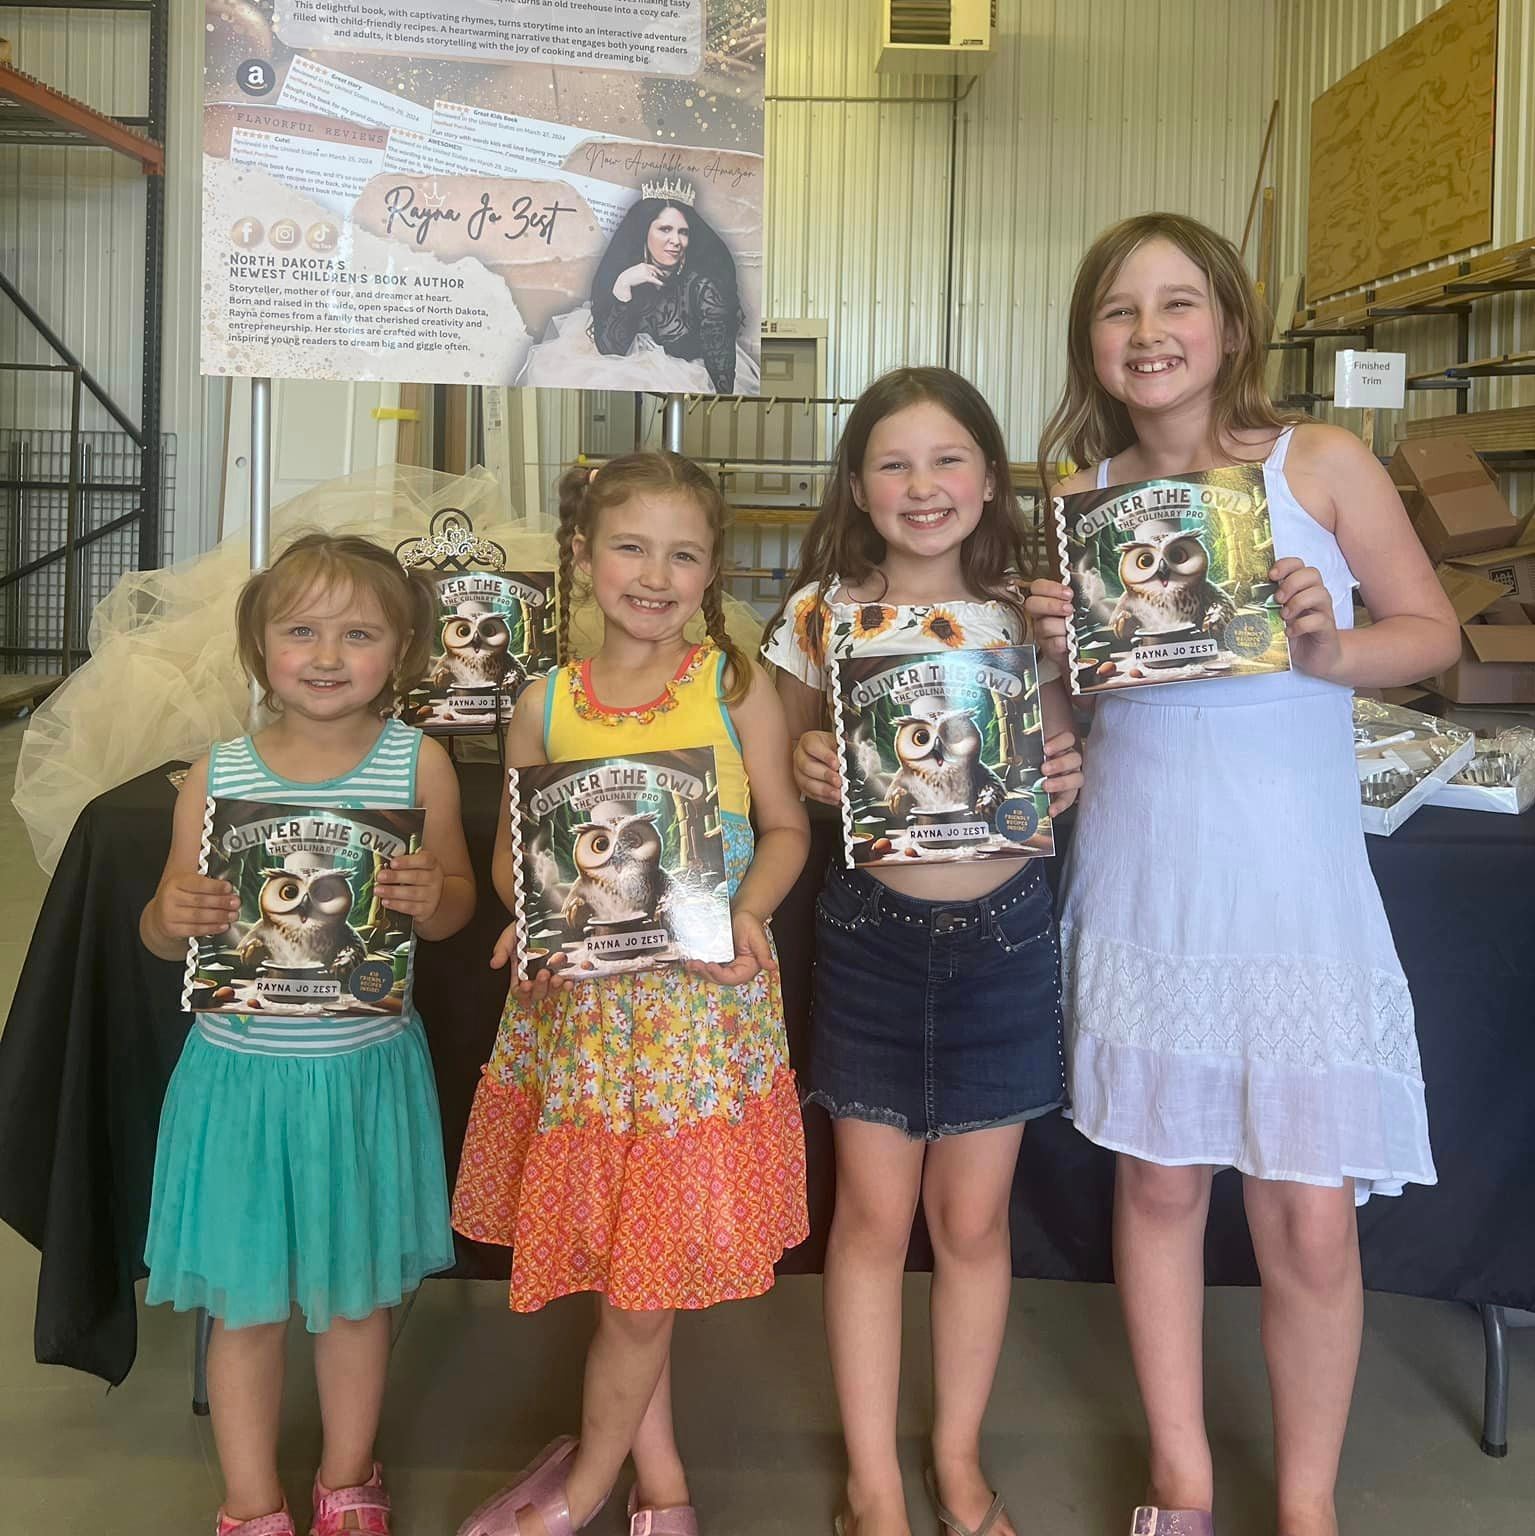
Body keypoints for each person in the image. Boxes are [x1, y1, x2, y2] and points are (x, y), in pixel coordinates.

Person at [1027, 213, 1461, 1536]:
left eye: (1175, 305)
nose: (1147, 334)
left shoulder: (1318, 464)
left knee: (1310, 1220)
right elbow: (1071, 720)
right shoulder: (1077, 502)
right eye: (1117, 310)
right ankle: (1183, 1480)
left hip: (1293, 893)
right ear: (1091, 344)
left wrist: (1328, 649)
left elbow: (1430, 631)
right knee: (1157, 1186)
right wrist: (1049, 675)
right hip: (1150, 878)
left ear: (1228, 323)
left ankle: (1310, 1505)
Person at [451, 451, 810, 1536]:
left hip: (696, 1028)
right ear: (582, 556)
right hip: (582, 1031)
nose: (654, 574)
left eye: (684, 553)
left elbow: (787, 830)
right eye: (630, 546)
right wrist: (531, 901)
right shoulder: (543, 700)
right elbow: (518, 855)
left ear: (713, 572)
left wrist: (751, 911)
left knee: (639, 1286)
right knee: (625, 1268)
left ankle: (584, 1487)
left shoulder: (732, 688)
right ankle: (661, 1487)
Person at [760, 366, 1085, 1536]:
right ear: (857, 484)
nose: (922, 485)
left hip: (1004, 936)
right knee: (869, 1219)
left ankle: (955, 1460)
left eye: (948, 459)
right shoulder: (816, 614)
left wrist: (1066, 762)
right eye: (893, 463)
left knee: (976, 1223)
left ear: (989, 479)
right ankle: (874, 1484)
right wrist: (800, 773)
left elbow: (1056, 757)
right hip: (870, 938)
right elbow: (793, 778)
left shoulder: (1034, 614)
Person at [140, 533, 477, 1536]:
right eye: (301, 631)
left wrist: (431, 894)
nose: (327, 655)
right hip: (237, 1080)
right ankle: (250, 1502)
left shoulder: (418, 762)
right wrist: (178, 914)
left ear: (402, 649)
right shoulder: (217, 771)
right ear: (259, 647)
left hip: (361, 1075)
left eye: (358, 633)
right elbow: (159, 927)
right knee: (241, 1309)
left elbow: (456, 906)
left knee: (355, 1302)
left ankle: (348, 1480)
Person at [518, 187, 757, 397]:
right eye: (665, 229)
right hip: (625, 383)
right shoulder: (628, 275)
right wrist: (623, 285)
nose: (676, 240)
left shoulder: (703, 287)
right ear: (644, 232)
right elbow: (611, 350)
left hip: (686, 384)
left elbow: (721, 370)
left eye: (682, 232)